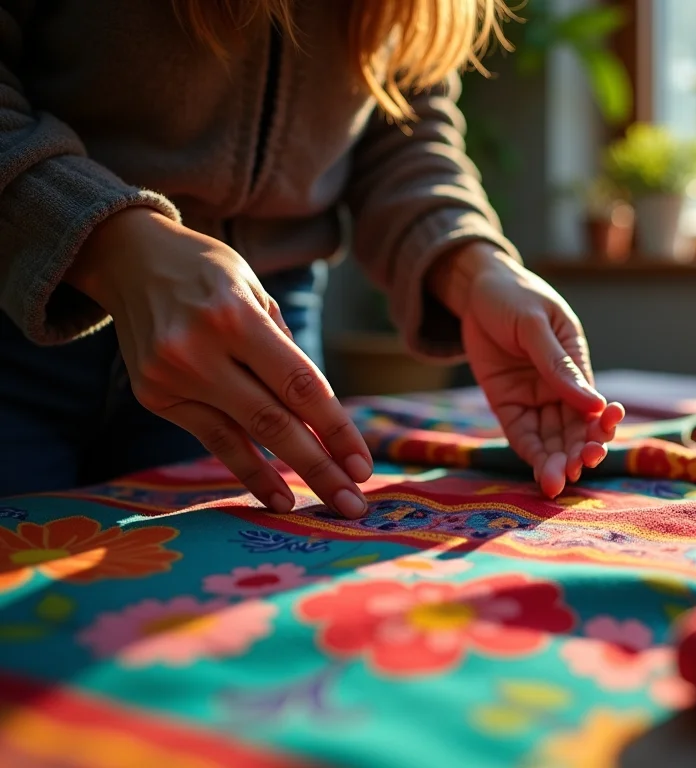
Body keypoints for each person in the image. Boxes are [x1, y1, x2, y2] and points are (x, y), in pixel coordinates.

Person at [0, 0, 625, 516]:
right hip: (19, 321)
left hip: (262, 352)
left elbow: (402, 128)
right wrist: (112, 244)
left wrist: (474, 264)